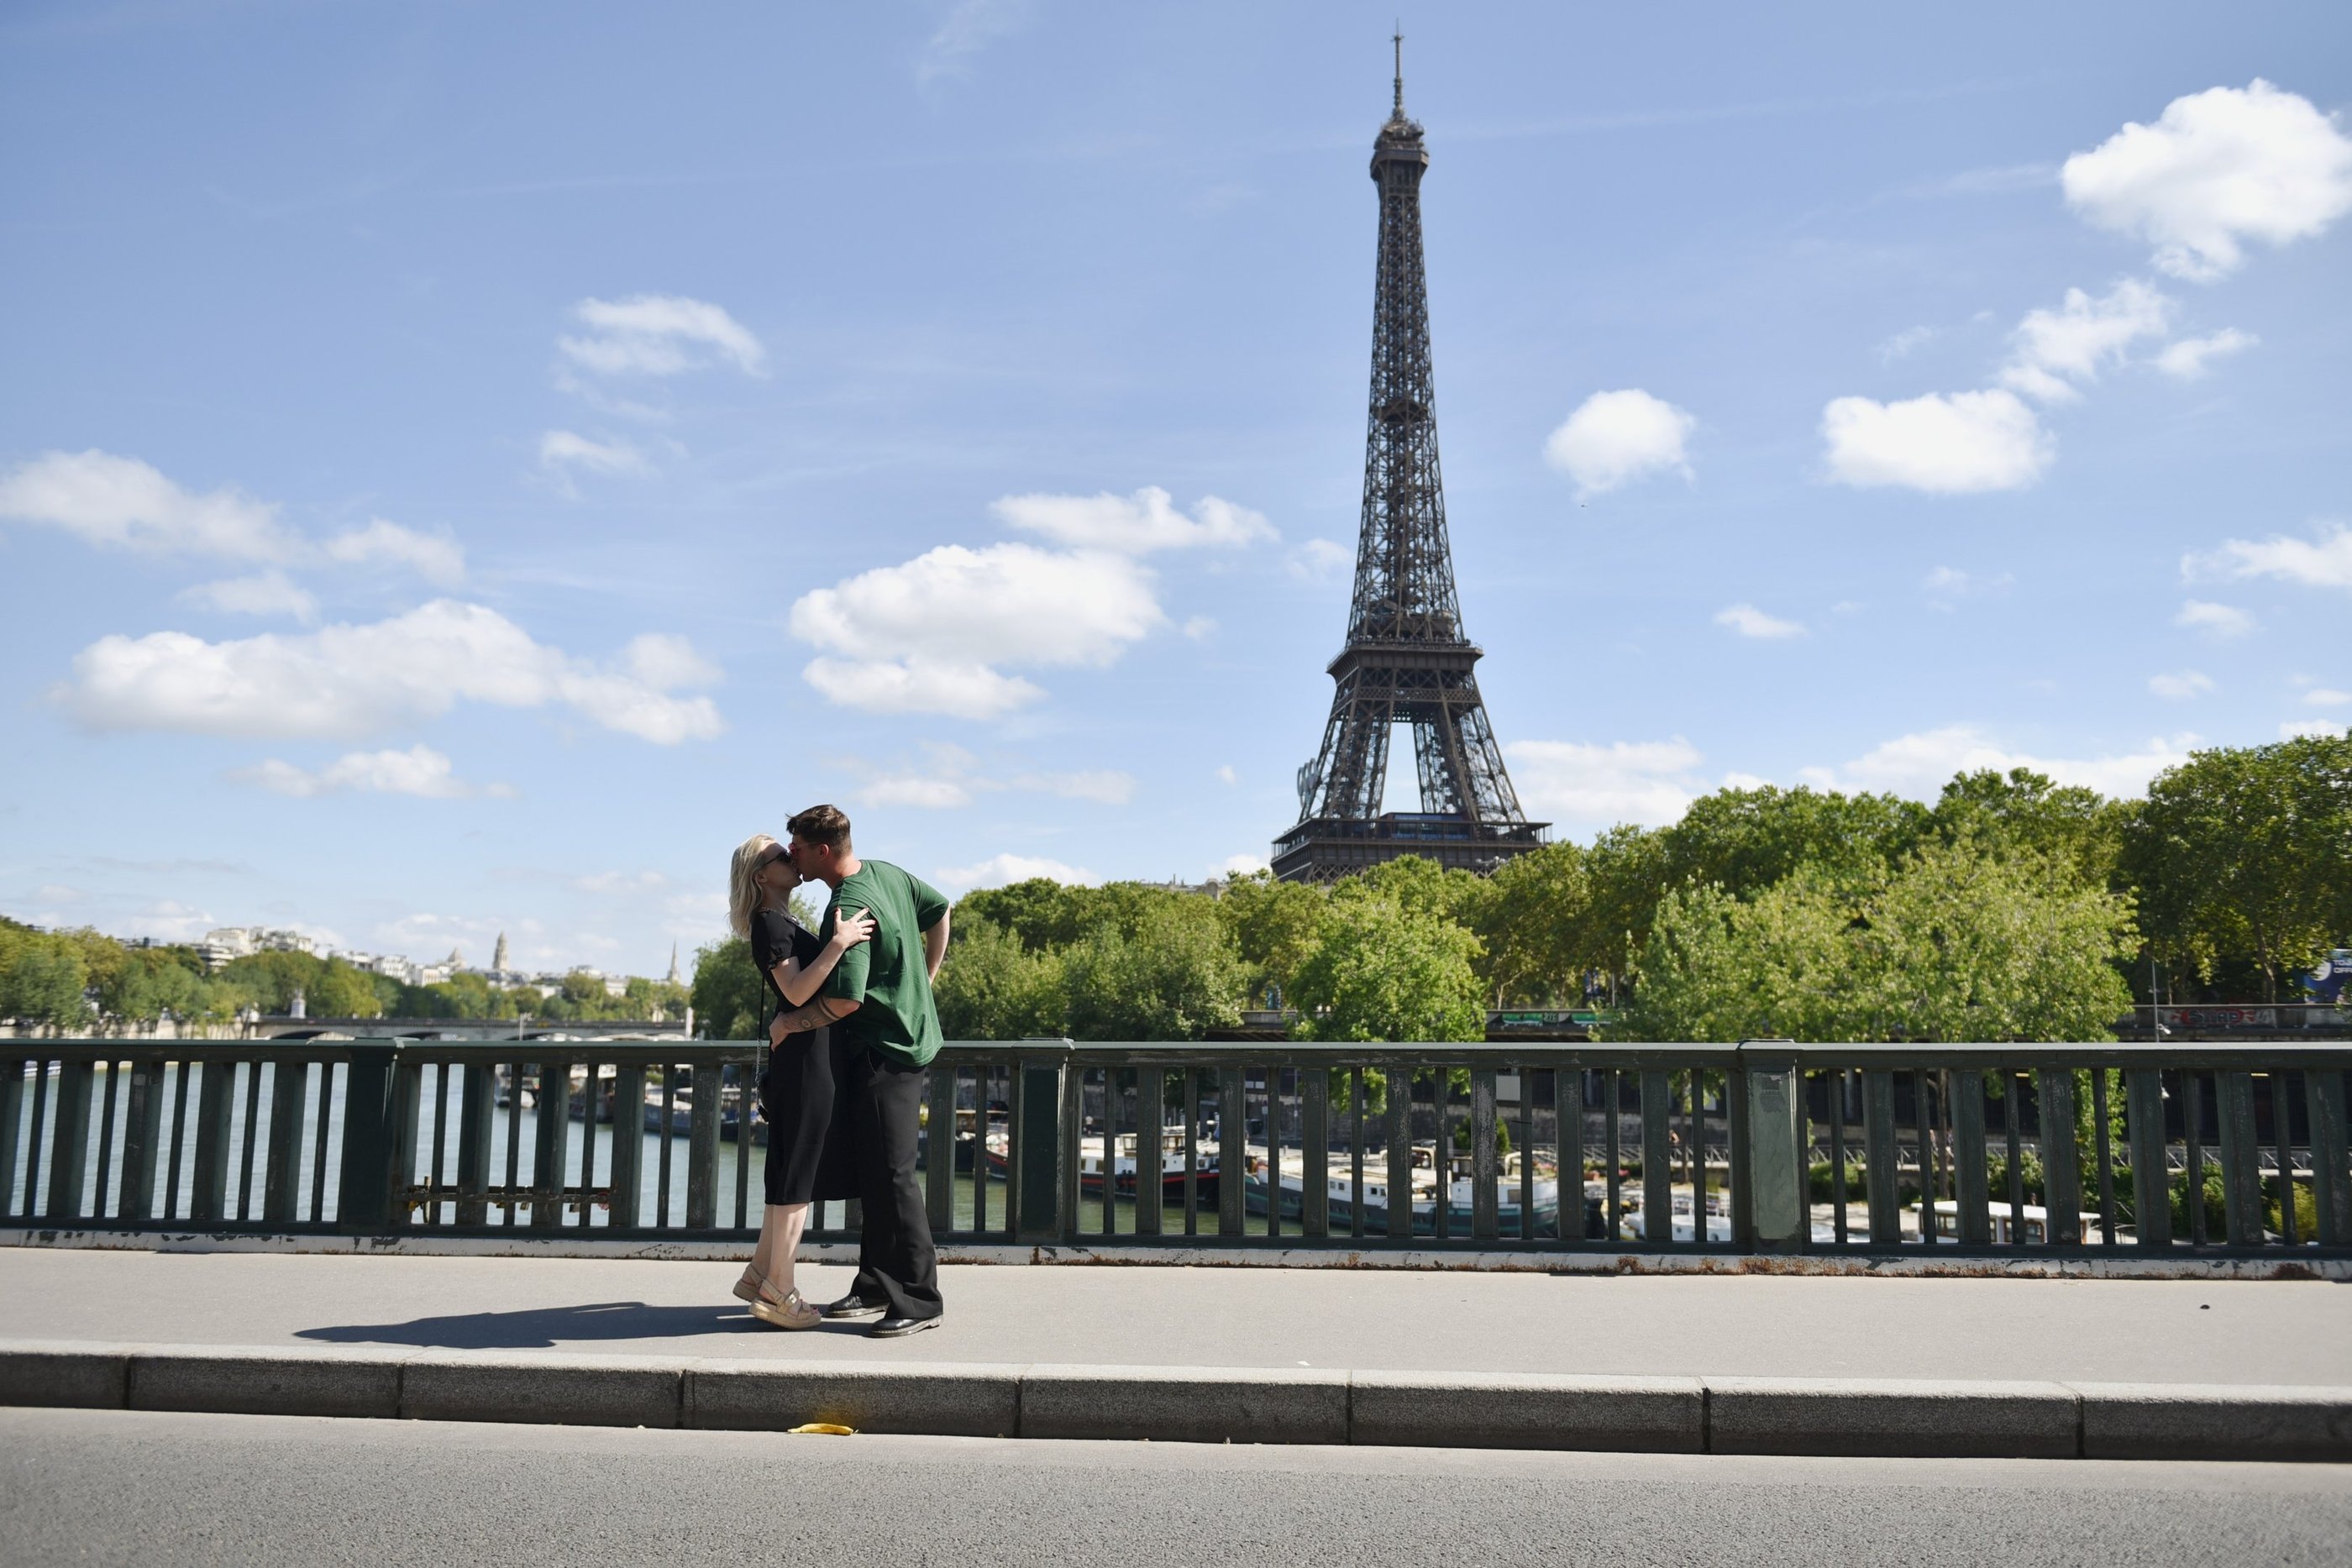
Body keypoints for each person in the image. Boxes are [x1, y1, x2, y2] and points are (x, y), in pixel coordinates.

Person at [763, 804, 952, 1338]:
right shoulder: (887, 873)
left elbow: (845, 1001)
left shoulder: (850, 904)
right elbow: (940, 910)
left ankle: (919, 1300)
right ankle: (875, 1284)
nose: (791, 853)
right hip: (908, 1039)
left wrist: (791, 1023)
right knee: (876, 1172)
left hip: (881, 1049)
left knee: (892, 1178)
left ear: (822, 850)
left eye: (796, 846)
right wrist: (926, 980)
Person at [725, 832, 874, 1330]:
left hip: (806, 1059)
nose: (791, 857)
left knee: (789, 1166)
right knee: (798, 1174)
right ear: (760, 876)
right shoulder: (769, 922)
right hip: (806, 1063)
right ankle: (779, 1292)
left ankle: (760, 1273)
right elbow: (794, 990)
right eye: (778, 856)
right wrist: (839, 942)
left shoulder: (780, 920)